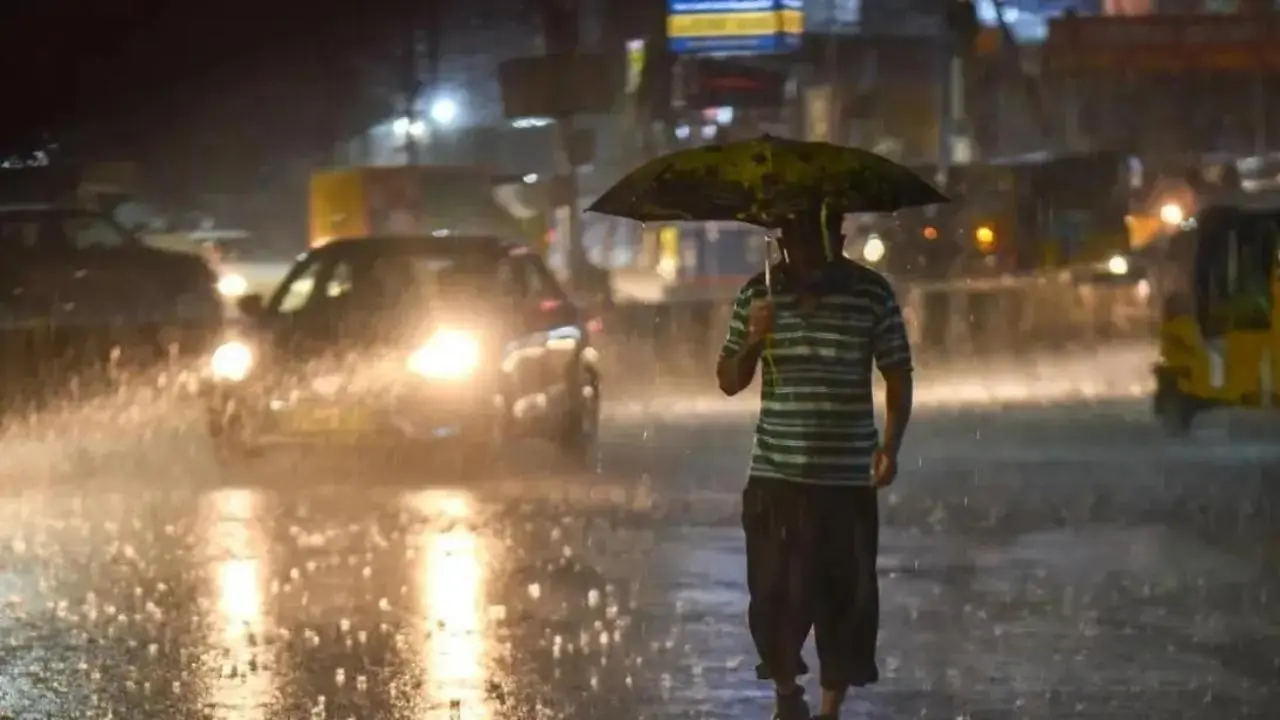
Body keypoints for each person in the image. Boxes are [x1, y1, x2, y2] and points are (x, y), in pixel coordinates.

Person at [715, 205, 914, 720]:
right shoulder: (757, 295)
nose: (803, 254)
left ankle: (829, 710)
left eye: (815, 242)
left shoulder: (871, 295)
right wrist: (755, 338)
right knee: (774, 602)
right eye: (794, 241)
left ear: (837, 238)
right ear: (781, 243)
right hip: (776, 478)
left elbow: (897, 372)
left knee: (843, 605)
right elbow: (729, 380)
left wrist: (890, 445)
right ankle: (787, 692)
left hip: (846, 481)